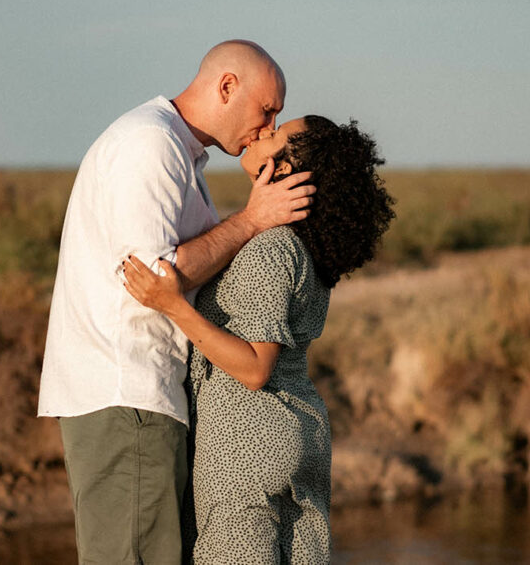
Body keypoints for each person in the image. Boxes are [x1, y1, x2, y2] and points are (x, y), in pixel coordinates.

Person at [37, 41, 316, 564]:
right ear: (227, 86)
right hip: (128, 396)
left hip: (141, 398)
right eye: (267, 109)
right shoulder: (151, 144)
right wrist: (253, 220)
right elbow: (151, 279)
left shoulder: (178, 151)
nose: (268, 125)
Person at [122, 115, 395, 564]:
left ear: (285, 169)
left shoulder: (272, 249)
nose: (263, 133)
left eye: (276, 136)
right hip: (298, 433)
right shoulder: (307, 251)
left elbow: (254, 367)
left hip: (246, 443)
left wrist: (172, 305)